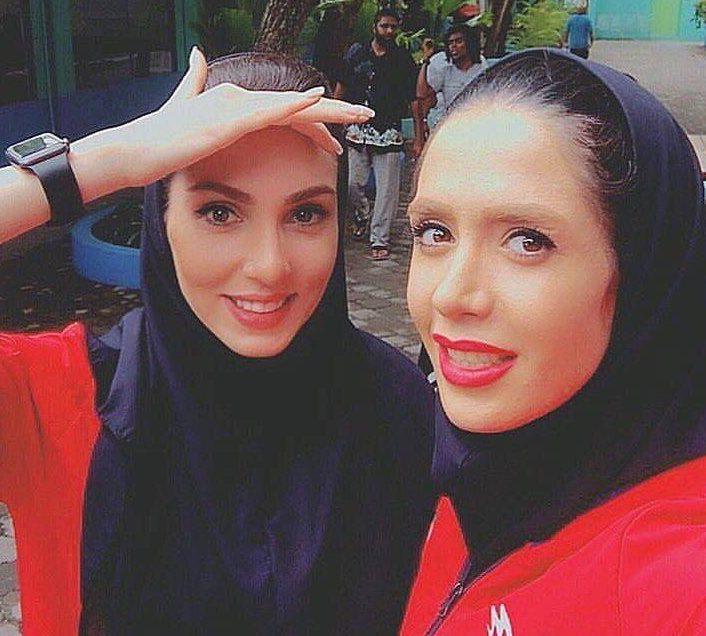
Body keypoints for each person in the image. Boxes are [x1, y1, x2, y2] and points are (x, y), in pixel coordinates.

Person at [0, 50, 436, 635]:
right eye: (220, 212)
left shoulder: (400, 406)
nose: (269, 266)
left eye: (307, 213)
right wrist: (105, 160)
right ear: (160, 219)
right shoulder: (60, 400)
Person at [400, 48, 706, 633]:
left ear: (642, 272)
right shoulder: (478, 472)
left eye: (527, 241)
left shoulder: (679, 580)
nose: (453, 294)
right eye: (434, 232)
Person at [334, 8, 418, 260]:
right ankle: (361, 215)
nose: (389, 31)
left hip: (389, 131)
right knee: (352, 184)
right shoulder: (357, 53)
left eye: (393, 27)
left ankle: (379, 238)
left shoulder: (402, 59)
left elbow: (413, 98)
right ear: (375, 27)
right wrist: (334, 119)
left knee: (387, 190)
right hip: (356, 129)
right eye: (384, 26)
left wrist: (419, 135)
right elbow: (341, 86)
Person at [413, 24, 485, 158]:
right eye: (450, 43)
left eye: (458, 41)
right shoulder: (445, 66)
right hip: (451, 127)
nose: (453, 46)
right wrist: (426, 60)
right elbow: (421, 94)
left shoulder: (481, 66)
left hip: (476, 127)